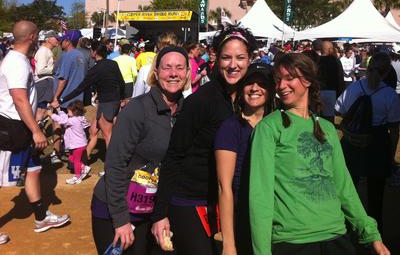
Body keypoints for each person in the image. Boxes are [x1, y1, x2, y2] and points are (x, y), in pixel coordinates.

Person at [250, 52, 390, 255]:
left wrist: (371, 233)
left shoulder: (327, 128)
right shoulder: (269, 128)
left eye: (290, 78)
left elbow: (344, 187)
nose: (281, 86)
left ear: (307, 80)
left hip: (336, 236)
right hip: (293, 241)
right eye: (278, 80)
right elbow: (260, 196)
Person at [151, 27, 256, 254]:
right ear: (216, 58)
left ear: (250, 59)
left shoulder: (252, 98)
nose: (233, 65)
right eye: (226, 57)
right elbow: (174, 155)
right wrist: (160, 214)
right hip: (191, 199)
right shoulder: (202, 101)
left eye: (240, 58)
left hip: (228, 200)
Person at [91, 46, 190, 254]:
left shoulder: (187, 113)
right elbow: (115, 163)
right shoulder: (137, 110)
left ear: (188, 73)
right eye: (167, 68)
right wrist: (120, 219)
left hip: (150, 209)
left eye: (180, 68)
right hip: (115, 209)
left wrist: (162, 213)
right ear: (156, 73)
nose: (173, 73)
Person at [0, 21, 70, 242]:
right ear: (31, 36)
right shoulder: (17, 63)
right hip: (12, 127)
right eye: (37, 35)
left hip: (22, 125)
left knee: (34, 168)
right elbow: (19, 98)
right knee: (1, 178)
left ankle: (41, 217)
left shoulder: (18, 60)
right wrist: (36, 131)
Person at [335, 52, 400, 232]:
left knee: (347, 187)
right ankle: (373, 232)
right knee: (376, 194)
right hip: (378, 143)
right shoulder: (390, 94)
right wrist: (391, 155)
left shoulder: (354, 87)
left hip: (352, 141)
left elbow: (339, 109)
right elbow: (394, 128)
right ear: (387, 71)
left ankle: (343, 228)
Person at [215, 62, 276, 255]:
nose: (255, 88)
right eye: (250, 83)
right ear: (241, 89)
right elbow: (224, 187)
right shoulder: (231, 127)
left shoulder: (279, 124)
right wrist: (229, 245)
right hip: (243, 215)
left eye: (262, 83)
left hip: (277, 217)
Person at [58, 40, 125, 160]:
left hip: (106, 103)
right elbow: (122, 83)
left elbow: (80, 88)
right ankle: (83, 160)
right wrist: (122, 99)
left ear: (94, 52)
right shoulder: (113, 64)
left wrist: (62, 99)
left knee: (107, 134)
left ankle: (111, 166)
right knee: (93, 131)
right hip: (114, 101)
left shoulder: (95, 69)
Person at [50, 29, 86, 164]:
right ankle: (74, 157)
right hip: (77, 97)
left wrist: (55, 97)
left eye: (63, 40)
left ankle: (56, 152)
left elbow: (63, 79)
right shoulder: (81, 55)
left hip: (64, 98)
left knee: (57, 124)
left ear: (68, 41)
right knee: (75, 128)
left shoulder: (68, 55)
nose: (60, 42)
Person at [48, 100, 91, 184]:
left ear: (75, 112)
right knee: (72, 158)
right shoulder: (78, 118)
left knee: (76, 161)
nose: (67, 113)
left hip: (77, 145)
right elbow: (65, 118)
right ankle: (84, 168)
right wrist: (59, 110)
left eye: (69, 111)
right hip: (80, 144)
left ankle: (77, 177)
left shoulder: (74, 121)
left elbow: (63, 121)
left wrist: (51, 115)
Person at [133, 32, 179, 97]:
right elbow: (187, 96)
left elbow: (136, 98)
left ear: (156, 48)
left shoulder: (145, 70)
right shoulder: (182, 70)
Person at [34, 31, 59, 124]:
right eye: (56, 38)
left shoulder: (46, 51)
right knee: (40, 110)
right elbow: (40, 70)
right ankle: (36, 132)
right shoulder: (43, 51)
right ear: (48, 39)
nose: (58, 40)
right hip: (42, 82)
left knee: (42, 109)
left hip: (45, 82)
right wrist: (54, 68)